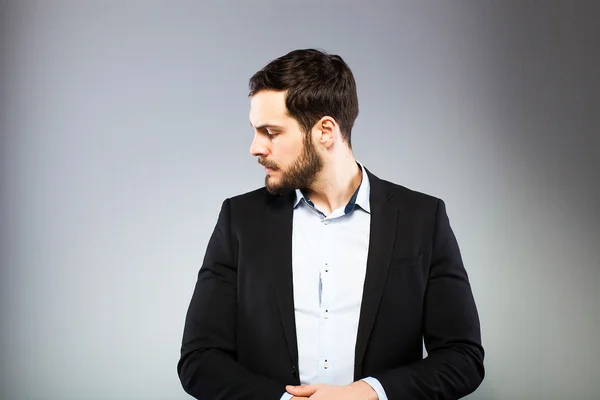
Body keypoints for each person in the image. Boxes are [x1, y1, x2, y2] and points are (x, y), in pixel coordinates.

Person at [177, 49, 484, 400]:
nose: (255, 148)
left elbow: (464, 358)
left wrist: (369, 393)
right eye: (255, 131)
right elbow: (198, 360)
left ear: (325, 131)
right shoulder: (239, 220)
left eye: (270, 132)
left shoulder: (421, 219)